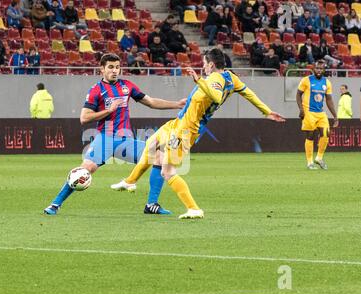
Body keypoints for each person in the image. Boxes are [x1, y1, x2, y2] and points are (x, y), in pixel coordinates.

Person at [111, 49, 285, 219]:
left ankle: (193, 209)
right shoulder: (231, 77)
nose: (203, 67)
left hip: (187, 129)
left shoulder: (214, 79)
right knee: (152, 145)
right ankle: (130, 182)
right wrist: (266, 111)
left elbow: (216, 96)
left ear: (211, 65)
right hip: (179, 122)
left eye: (204, 64)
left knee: (167, 171)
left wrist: (199, 81)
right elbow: (249, 94)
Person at [43, 53, 187, 216]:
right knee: (85, 169)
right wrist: (108, 110)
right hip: (105, 139)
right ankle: (55, 204)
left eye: (117, 67)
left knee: (159, 156)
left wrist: (177, 104)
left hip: (126, 141)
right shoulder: (96, 90)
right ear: (102, 69)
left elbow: (151, 102)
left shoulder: (127, 86)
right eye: (111, 67)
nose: (115, 70)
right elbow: (84, 117)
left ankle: (151, 204)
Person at [296, 59, 338, 170]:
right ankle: (309, 162)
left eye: (321, 68)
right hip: (308, 112)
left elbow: (329, 100)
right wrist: (301, 109)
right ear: (313, 69)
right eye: (317, 68)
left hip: (321, 113)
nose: (319, 70)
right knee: (310, 136)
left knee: (326, 133)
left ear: (324, 70)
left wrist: (335, 116)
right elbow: (298, 94)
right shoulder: (306, 80)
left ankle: (319, 158)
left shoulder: (327, 82)